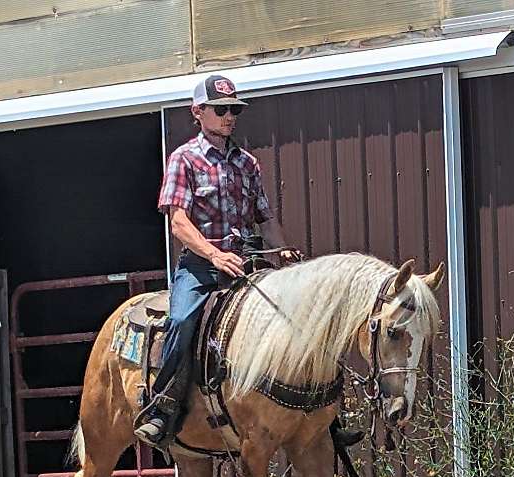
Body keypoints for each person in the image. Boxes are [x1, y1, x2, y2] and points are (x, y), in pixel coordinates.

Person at [134, 74, 362, 453]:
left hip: (248, 265)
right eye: (221, 109)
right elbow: (177, 221)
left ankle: (328, 419)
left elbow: (265, 218)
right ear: (198, 112)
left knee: (298, 318)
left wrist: (283, 249)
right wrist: (214, 254)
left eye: (234, 110)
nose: (229, 116)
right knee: (181, 320)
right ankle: (164, 406)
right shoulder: (184, 159)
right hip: (202, 268)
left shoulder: (246, 163)